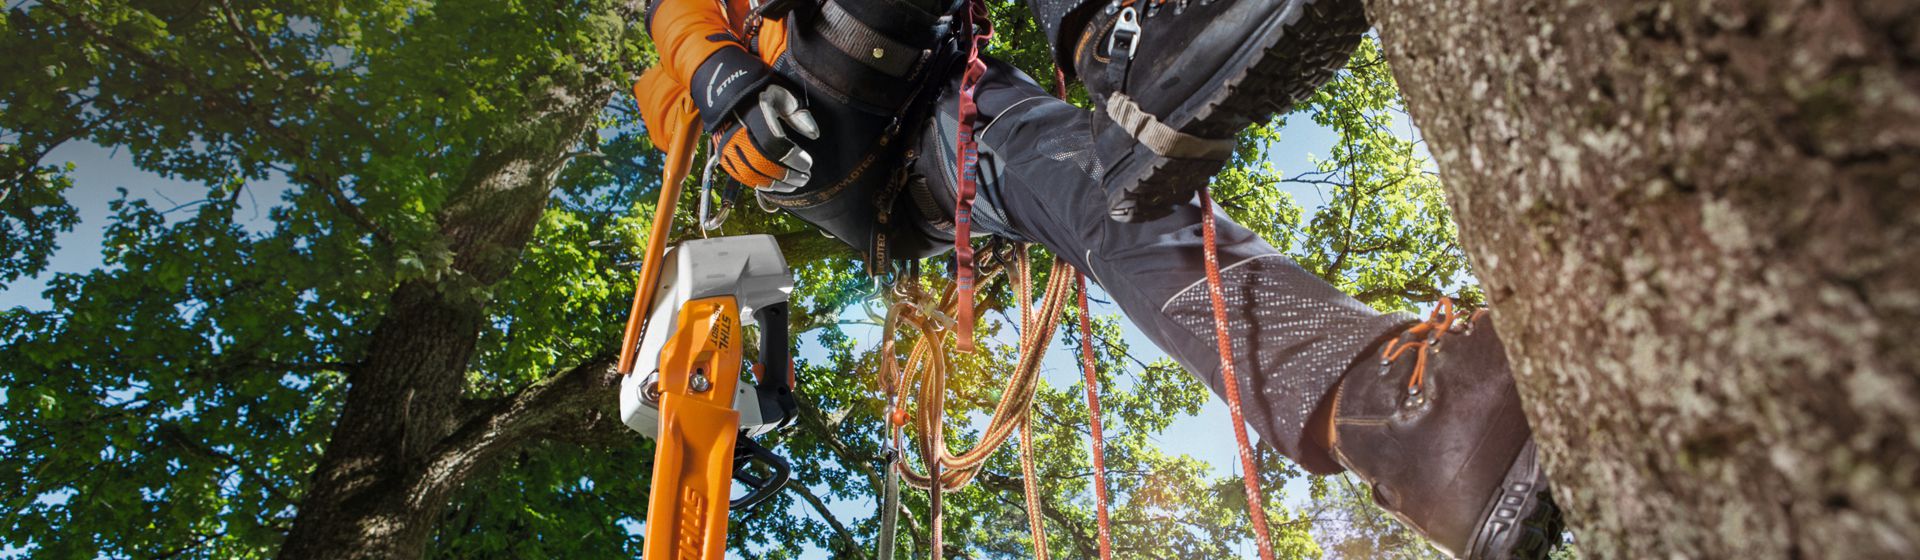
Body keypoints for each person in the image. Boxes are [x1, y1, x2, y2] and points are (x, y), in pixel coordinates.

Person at [634, 0, 1564, 556]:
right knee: (1109, 152)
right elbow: (670, 13)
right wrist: (715, 73)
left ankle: (1406, 426)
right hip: (808, 117)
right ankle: (1121, 45)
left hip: (952, 111)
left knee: (1107, 194)